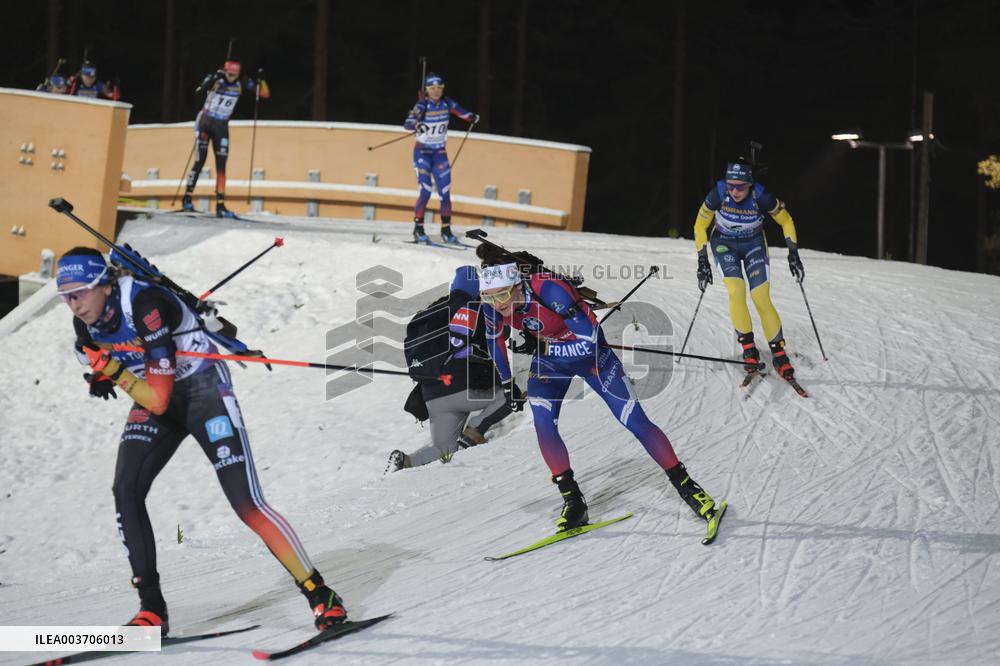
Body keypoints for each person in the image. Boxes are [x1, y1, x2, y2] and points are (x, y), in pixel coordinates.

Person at [56, 247, 345, 634]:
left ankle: (320, 594)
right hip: (157, 395)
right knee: (126, 489)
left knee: (247, 504)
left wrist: (113, 371)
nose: (74, 305)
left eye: (80, 293)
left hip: (203, 392)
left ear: (105, 285)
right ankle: (152, 611)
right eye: (66, 297)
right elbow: (111, 361)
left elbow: (156, 399)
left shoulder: (146, 304)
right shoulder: (86, 324)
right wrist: (100, 375)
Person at [477, 258, 722, 533]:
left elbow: (589, 342)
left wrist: (543, 347)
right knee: (543, 424)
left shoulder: (549, 289)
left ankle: (689, 488)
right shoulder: (493, 304)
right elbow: (494, 340)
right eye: (489, 297)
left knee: (635, 421)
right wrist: (507, 382)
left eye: (502, 295)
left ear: (517, 285)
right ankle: (573, 502)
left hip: (593, 358)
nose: (497, 304)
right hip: (551, 362)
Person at [389, 265, 514, 471]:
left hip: (432, 395)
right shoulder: (473, 307)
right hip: (465, 387)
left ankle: (405, 462)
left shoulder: (429, 313)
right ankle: (476, 429)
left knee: (444, 449)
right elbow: (503, 333)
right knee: (514, 393)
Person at [692, 160, 804, 380]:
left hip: (753, 244)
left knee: (761, 297)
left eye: (740, 187)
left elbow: (786, 220)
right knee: (736, 291)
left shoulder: (761, 195)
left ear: (750, 184)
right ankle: (749, 349)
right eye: (731, 185)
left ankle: (778, 353)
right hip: (724, 244)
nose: (735, 191)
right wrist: (702, 259)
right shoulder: (719, 192)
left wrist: (793, 252)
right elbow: (700, 225)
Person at [181, 61, 269, 218]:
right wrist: (211, 79)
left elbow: (264, 94)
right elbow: (199, 91)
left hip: (221, 126)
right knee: (200, 161)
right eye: (229, 74)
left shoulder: (242, 82)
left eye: (234, 75)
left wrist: (261, 80)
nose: (231, 78)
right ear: (225, 71)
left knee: (221, 167)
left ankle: (220, 205)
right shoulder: (217, 79)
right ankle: (187, 197)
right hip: (205, 122)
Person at [403, 73, 478, 244]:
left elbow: (464, 114)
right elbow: (407, 124)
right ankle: (418, 229)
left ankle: (446, 230)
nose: (436, 91)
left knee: (445, 192)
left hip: (439, 154)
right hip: (422, 154)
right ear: (427, 90)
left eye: (439, 88)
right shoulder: (422, 105)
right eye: (432, 88)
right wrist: (417, 122)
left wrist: (472, 117)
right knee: (426, 191)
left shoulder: (447, 103)